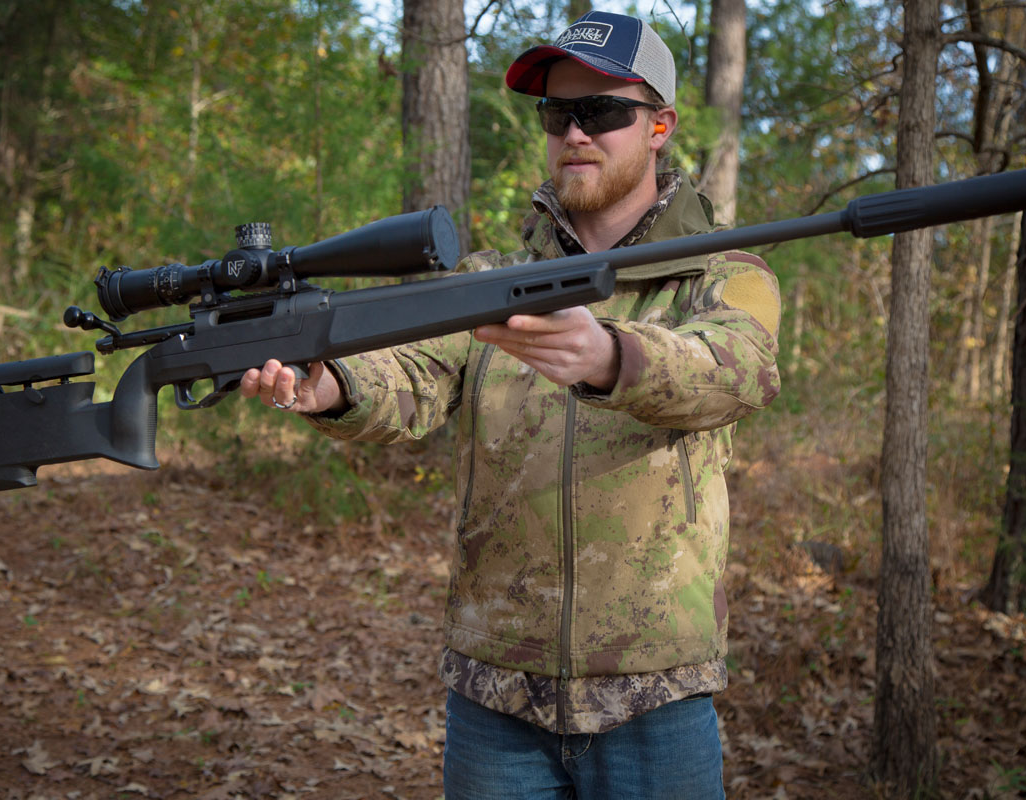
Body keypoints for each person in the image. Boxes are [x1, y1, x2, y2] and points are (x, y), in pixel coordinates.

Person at [241, 11, 781, 799]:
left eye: (601, 111)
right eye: (558, 115)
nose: (575, 134)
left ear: (660, 125)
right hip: (497, 703)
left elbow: (739, 371)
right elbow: (413, 377)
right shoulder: (490, 280)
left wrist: (610, 357)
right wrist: (327, 386)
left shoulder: (721, 272)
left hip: (654, 697)